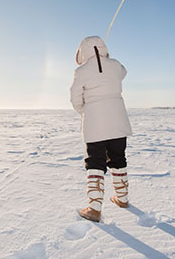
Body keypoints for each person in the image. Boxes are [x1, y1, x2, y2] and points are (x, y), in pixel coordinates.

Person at [70, 36, 132, 222]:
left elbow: (75, 97)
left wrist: (86, 112)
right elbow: (123, 72)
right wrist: (107, 58)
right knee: (118, 157)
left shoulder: (80, 71)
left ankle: (94, 208)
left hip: (95, 122)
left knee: (95, 161)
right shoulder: (115, 65)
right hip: (118, 120)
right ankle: (122, 199)